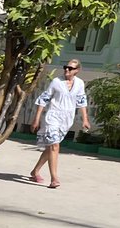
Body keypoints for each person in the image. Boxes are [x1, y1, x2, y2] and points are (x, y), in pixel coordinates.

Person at [30, 59, 90, 189]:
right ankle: (54, 178)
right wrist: (36, 118)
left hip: (67, 119)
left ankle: (35, 171)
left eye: (70, 68)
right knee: (55, 146)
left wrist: (85, 119)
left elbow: (82, 101)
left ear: (77, 70)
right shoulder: (56, 82)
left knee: (51, 148)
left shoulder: (79, 83)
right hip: (53, 117)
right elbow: (43, 99)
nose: (67, 70)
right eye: (65, 67)